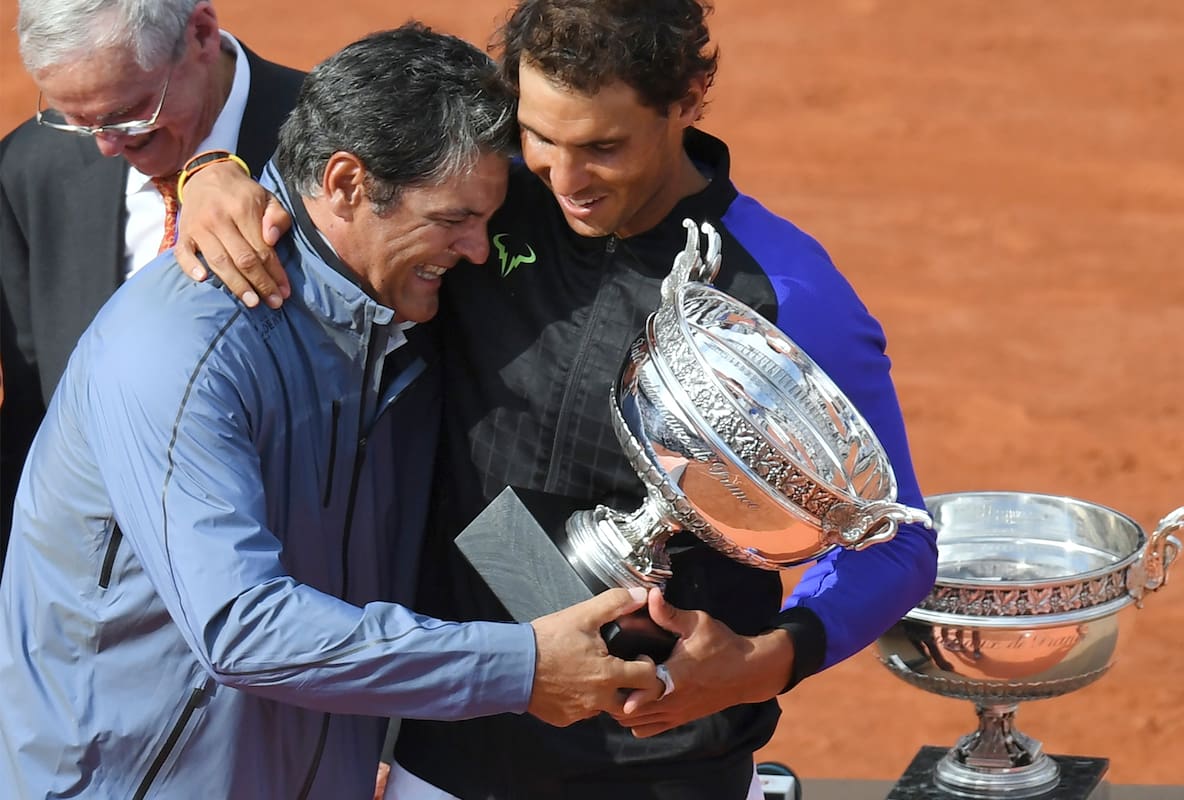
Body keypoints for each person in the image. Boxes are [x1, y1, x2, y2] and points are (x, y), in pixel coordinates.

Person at [176, 2, 939, 797]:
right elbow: (343, 147)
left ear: (687, 100)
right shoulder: (483, 193)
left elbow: (896, 537)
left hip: (658, 768)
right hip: (445, 746)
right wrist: (214, 171)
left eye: (603, 147)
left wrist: (761, 663)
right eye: (540, 137)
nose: (565, 180)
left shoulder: (782, 290)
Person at [0, 23, 661, 799]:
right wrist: (522, 667)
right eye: (453, 222)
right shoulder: (181, 350)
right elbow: (241, 627)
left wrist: (605, 638)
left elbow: (460, 499)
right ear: (346, 184)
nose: (481, 253)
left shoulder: (400, 313)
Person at [0, 0, 304, 570]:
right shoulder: (29, 168)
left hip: (289, 575)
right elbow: (32, 417)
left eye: (131, 110)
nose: (107, 145)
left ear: (202, 34)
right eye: (77, 117)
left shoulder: (337, 147)